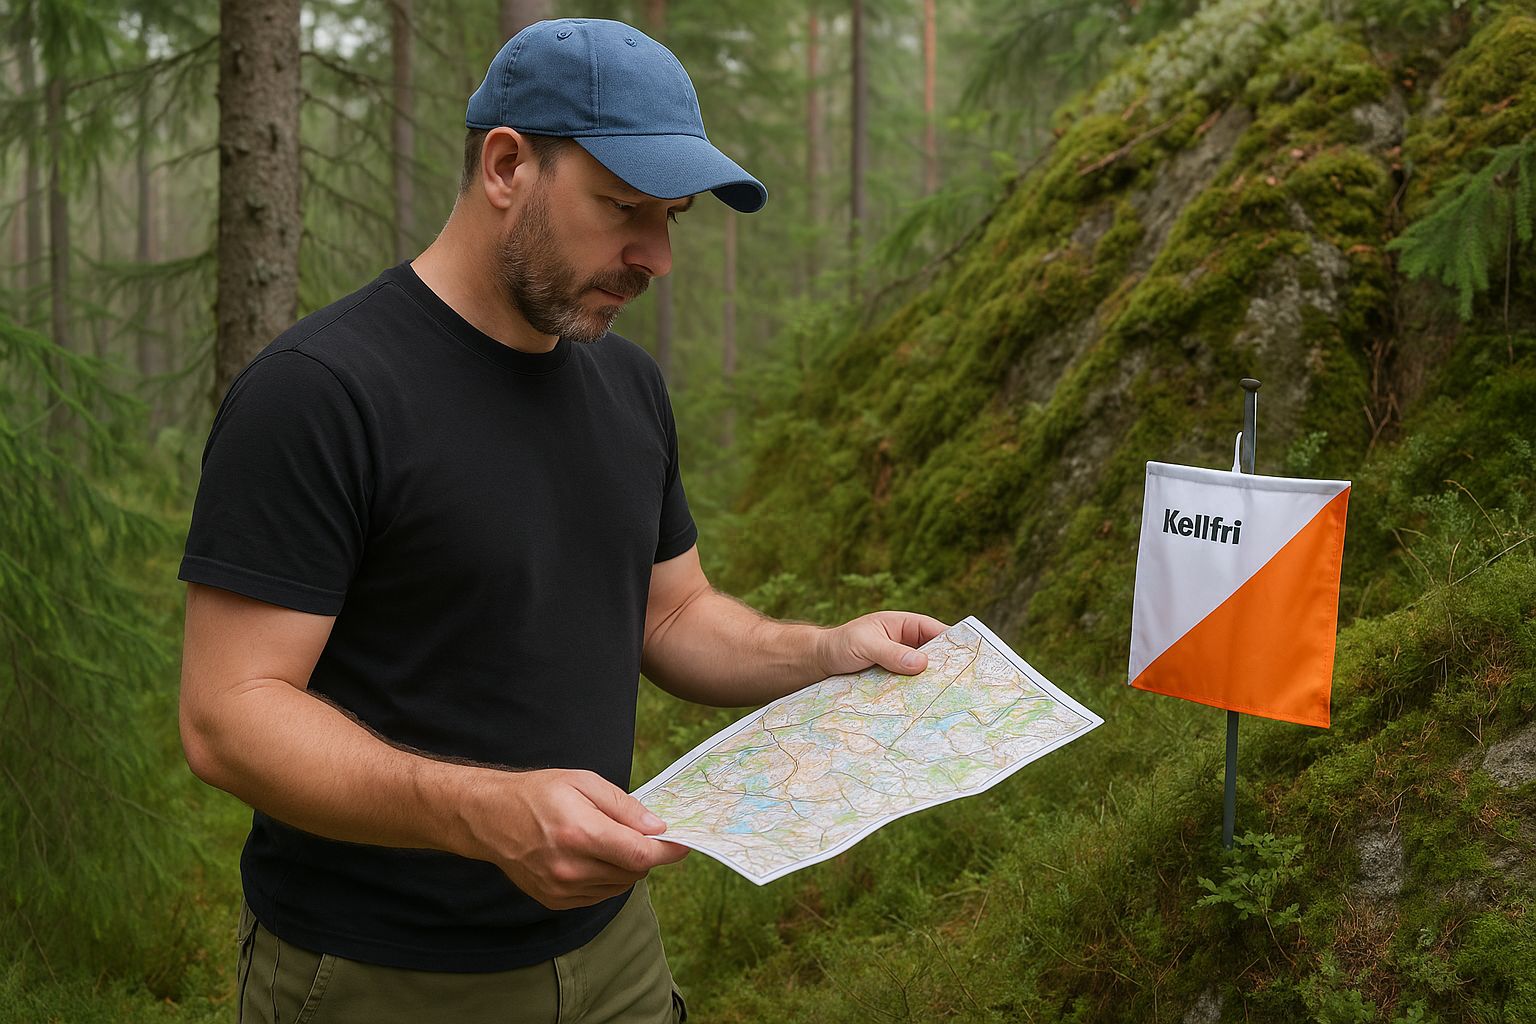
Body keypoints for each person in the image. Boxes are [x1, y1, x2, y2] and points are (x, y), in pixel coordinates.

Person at [178, 17, 945, 1024]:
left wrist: (821, 651)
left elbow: (670, 617)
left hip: (613, 956)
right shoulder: (321, 394)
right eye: (623, 207)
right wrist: (482, 811)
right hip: (377, 975)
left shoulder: (625, 385)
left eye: (672, 215)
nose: (656, 255)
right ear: (507, 164)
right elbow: (227, 717)